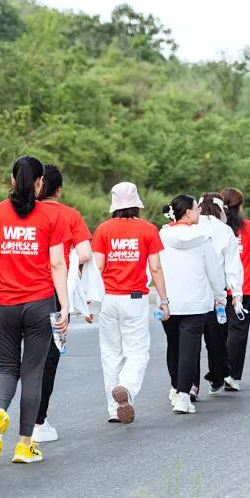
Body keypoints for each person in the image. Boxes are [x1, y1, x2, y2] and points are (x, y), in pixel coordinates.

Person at [0, 156, 70, 465]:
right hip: (39, 304)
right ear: (40, 183)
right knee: (33, 372)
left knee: (7, 368)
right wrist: (66, 307)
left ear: (11, 178)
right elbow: (58, 263)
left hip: (3, 304)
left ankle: (0, 412)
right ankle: (24, 445)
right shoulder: (51, 217)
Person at [92, 182, 169, 424]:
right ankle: (126, 387)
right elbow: (155, 268)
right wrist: (164, 300)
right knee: (137, 353)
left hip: (107, 299)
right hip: (135, 299)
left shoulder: (103, 230)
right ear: (136, 204)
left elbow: (98, 268)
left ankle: (114, 410)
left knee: (110, 354)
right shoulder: (148, 229)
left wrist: (89, 302)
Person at [32, 164, 92, 444]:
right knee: (49, 357)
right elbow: (85, 252)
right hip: (54, 293)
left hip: (19, 291)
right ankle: (37, 421)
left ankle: (12, 410)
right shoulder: (69, 215)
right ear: (58, 189)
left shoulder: (21, 211)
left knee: (18, 360)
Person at [159, 195, 225, 414]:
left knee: (174, 346)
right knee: (190, 349)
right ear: (188, 212)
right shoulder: (203, 237)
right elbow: (213, 271)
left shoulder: (162, 235)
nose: (199, 212)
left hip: (169, 301)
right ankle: (184, 396)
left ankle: (176, 388)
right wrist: (220, 294)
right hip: (195, 302)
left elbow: (155, 266)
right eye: (197, 209)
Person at [195, 192, 244, 396]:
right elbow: (233, 265)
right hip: (216, 292)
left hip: (191, 289)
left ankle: (189, 385)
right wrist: (237, 294)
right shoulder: (224, 230)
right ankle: (217, 375)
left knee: (190, 340)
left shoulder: (190, 226)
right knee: (215, 339)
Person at [220, 187, 250, 391]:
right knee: (238, 333)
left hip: (218, 289)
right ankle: (232, 375)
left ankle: (217, 372)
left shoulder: (216, 228)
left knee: (219, 333)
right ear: (240, 206)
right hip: (242, 289)